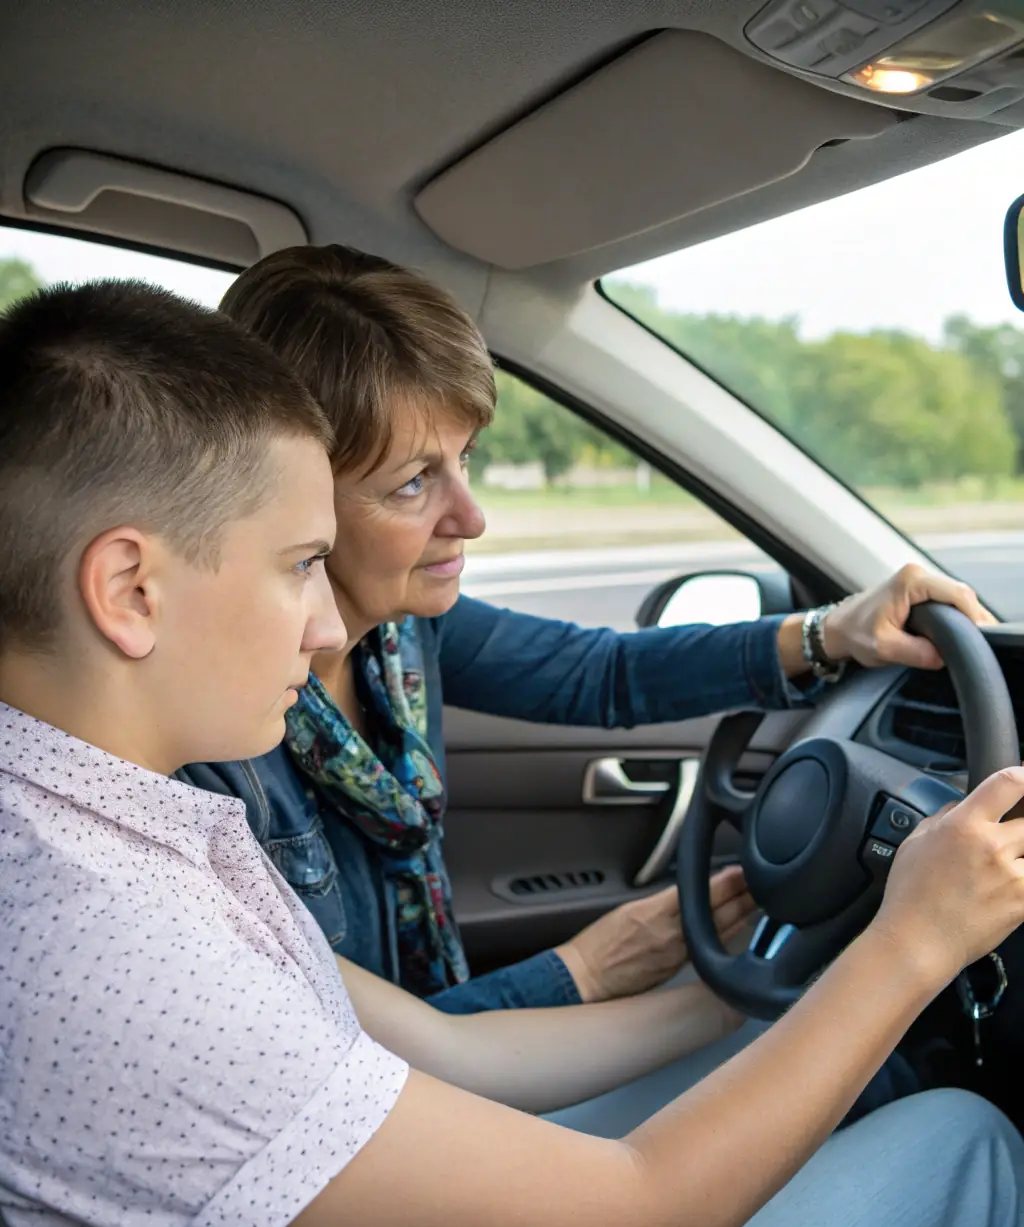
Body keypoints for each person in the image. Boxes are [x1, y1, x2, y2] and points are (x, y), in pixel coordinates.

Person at [3, 279, 1024, 1227]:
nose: (324, 626)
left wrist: (749, 994)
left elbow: (444, 1052)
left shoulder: (131, 836)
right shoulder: (113, 950)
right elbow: (641, 1223)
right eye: (300, 564)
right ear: (128, 590)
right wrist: (912, 944)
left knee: (812, 1058)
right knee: (966, 1149)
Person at [182, 244, 995, 1024]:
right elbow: (319, 1064)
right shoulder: (208, 752)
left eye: (466, 459)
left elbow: (597, 674)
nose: (472, 517)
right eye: (413, 483)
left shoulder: (396, 642)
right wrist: (585, 972)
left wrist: (828, 632)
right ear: (293, 497)